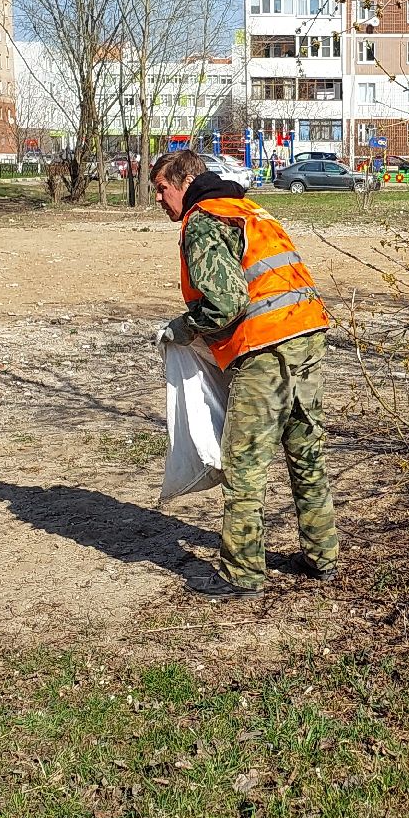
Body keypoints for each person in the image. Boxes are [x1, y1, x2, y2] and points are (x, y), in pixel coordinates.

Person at [151, 149, 340, 598]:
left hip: (268, 348)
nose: (158, 199)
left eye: (161, 188)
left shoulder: (203, 220)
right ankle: (322, 556)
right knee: (306, 451)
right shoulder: (250, 210)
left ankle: (242, 573)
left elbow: (225, 303)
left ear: (183, 182)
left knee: (244, 464)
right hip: (309, 334)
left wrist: (182, 328)